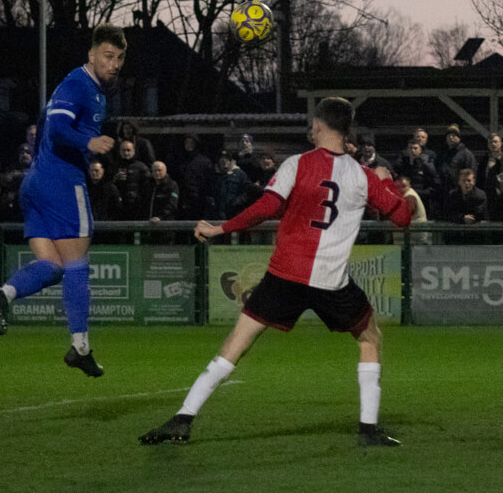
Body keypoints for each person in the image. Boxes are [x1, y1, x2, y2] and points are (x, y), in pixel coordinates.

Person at [139, 97, 412, 448]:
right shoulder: (363, 177)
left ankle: (183, 418)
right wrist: (386, 182)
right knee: (370, 338)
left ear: (318, 126)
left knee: (235, 345)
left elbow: (266, 208)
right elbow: (403, 218)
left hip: (285, 275)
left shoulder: (296, 164)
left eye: (313, 123)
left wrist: (222, 229)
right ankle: (368, 429)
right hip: (331, 281)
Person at [0, 23, 125, 378]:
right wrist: (89, 144)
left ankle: (5, 293)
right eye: (108, 56)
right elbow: (59, 127)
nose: (115, 63)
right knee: (77, 266)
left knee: (53, 266)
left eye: (120, 58)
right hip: (61, 184)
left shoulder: (93, 90)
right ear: (91, 54)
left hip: (35, 185)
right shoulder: (78, 83)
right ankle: (80, 348)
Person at [111, 138, 152, 219]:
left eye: (128, 150)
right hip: (118, 207)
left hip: (136, 207)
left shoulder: (141, 167)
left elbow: (149, 185)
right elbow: (106, 185)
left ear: (134, 151)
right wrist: (114, 179)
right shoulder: (113, 167)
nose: (126, 153)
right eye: (123, 150)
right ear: (120, 151)